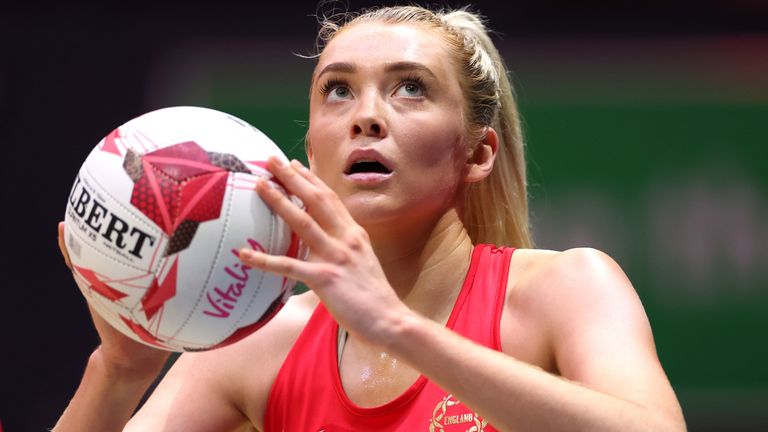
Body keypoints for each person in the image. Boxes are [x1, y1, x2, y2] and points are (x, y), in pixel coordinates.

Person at [53, 4, 686, 431]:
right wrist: (117, 372)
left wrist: (395, 328)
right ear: (309, 154)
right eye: (338, 89)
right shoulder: (256, 343)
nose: (367, 115)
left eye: (411, 86)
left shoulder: (565, 290)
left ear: (479, 152)